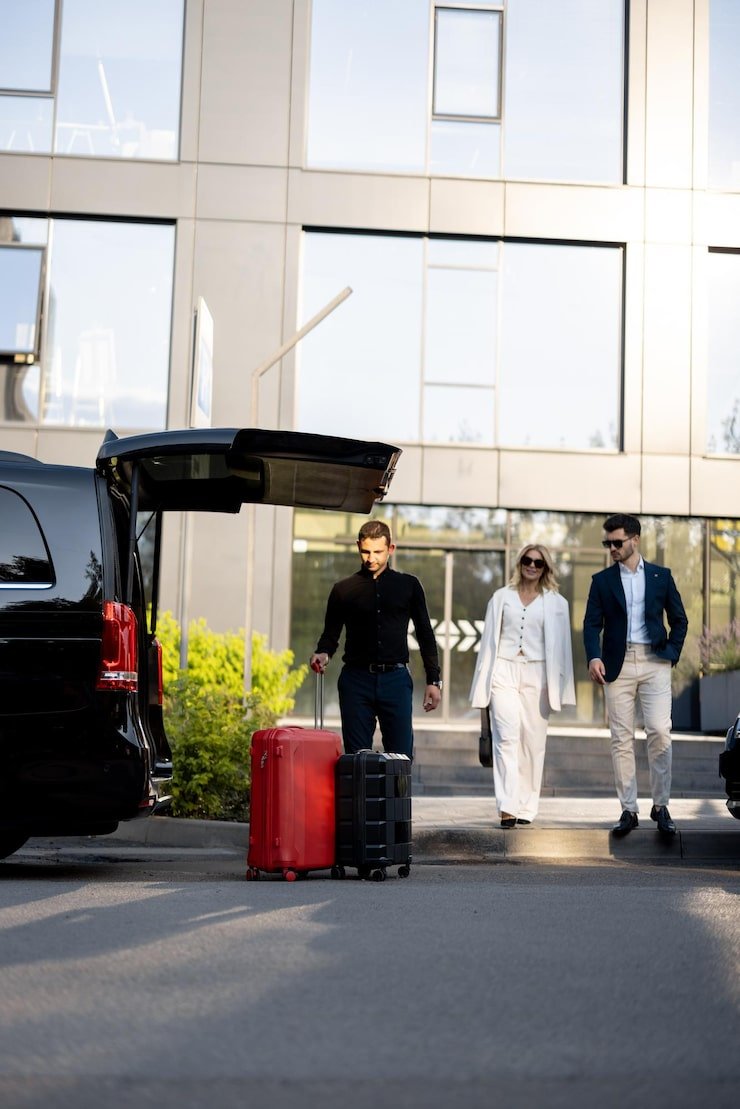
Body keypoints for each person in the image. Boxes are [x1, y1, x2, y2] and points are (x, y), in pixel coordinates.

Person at [583, 513, 688, 838]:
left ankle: (661, 805)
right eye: (607, 543)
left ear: (635, 540)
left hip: (655, 660)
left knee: (659, 731)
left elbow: (680, 619)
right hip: (618, 664)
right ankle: (628, 809)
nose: (612, 548)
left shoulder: (660, 576)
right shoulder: (602, 581)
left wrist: (670, 654)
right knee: (621, 738)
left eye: (617, 542)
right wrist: (594, 656)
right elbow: (591, 624)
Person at [310, 519, 441, 759]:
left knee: (401, 758)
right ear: (358, 546)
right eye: (366, 551)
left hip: (396, 680)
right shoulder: (343, 589)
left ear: (391, 549)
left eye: (378, 552)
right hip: (355, 681)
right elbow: (330, 635)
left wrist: (434, 680)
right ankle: (362, 798)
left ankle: (396, 799)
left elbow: (425, 634)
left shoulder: (409, 586)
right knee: (358, 758)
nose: (371, 558)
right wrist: (322, 653)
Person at [469, 544, 576, 828]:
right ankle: (507, 805)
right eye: (527, 561)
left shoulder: (557, 603)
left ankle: (527, 806)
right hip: (503, 671)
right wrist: (482, 682)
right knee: (506, 737)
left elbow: (563, 650)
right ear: (520, 564)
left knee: (533, 742)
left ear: (545, 568)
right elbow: (487, 644)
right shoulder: (501, 597)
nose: (531, 566)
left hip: (538, 674)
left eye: (538, 563)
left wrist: (561, 689)